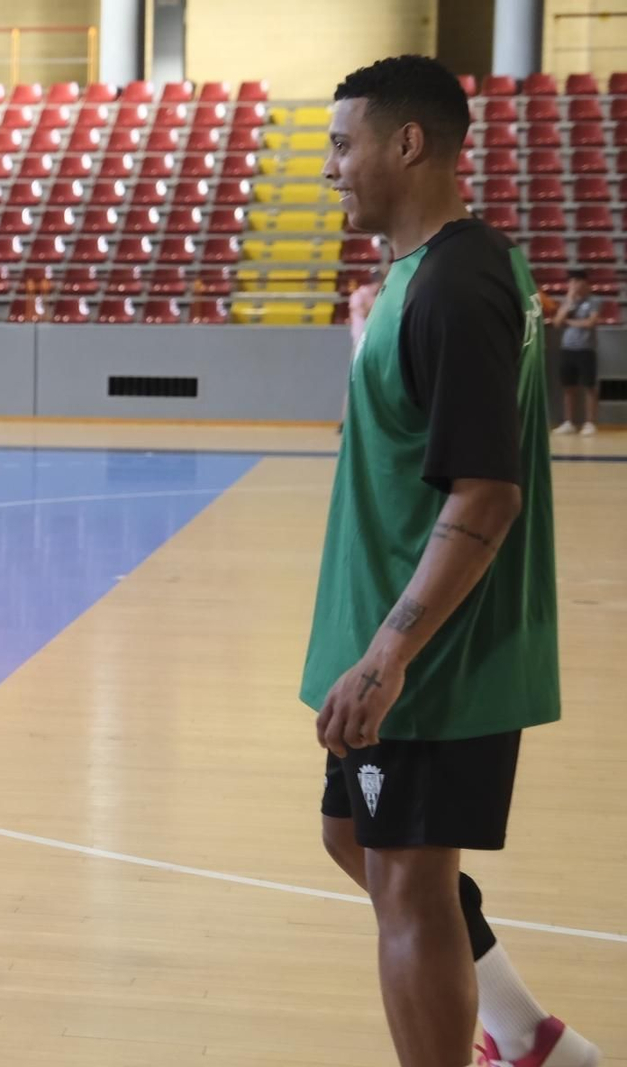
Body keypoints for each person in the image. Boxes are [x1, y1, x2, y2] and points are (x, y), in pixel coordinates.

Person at [307, 56, 600, 1067]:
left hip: (431, 661)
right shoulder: (430, 274)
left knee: (410, 892)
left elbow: (486, 492)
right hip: (402, 646)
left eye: (344, 144)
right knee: (354, 844)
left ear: (408, 142)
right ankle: (528, 1035)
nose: (331, 168)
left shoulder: (455, 289)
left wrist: (386, 657)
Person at [340, 241, 392, 431]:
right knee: (355, 382)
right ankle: (345, 421)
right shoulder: (360, 295)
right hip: (360, 342)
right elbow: (364, 312)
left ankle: (375, 421)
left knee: (378, 383)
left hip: (376, 341)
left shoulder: (382, 294)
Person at [551, 269, 600, 437]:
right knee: (568, 387)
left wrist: (570, 321)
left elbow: (590, 323)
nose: (573, 285)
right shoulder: (567, 301)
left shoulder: (593, 301)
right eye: (571, 282)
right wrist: (570, 301)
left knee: (589, 387)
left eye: (576, 281)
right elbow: (557, 323)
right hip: (568, 348)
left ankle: (590, 423)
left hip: (586, 349)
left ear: (585, 283)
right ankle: (568, 422)